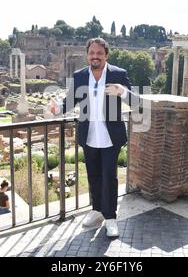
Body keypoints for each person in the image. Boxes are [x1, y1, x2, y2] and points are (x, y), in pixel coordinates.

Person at [49, 37, 137, 238]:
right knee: (93, 176)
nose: (95, 56)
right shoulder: (79, 76)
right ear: (87, 55)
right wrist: (57, 110)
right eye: (91, 53)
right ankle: (96, 210)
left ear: (106, 55)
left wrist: (121, 92)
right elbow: (70, 101)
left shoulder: (118, 74)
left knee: (109, 177)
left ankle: (111, 218)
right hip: (89, 135)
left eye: (99, 53)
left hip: (110, 137)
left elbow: (136, 102)